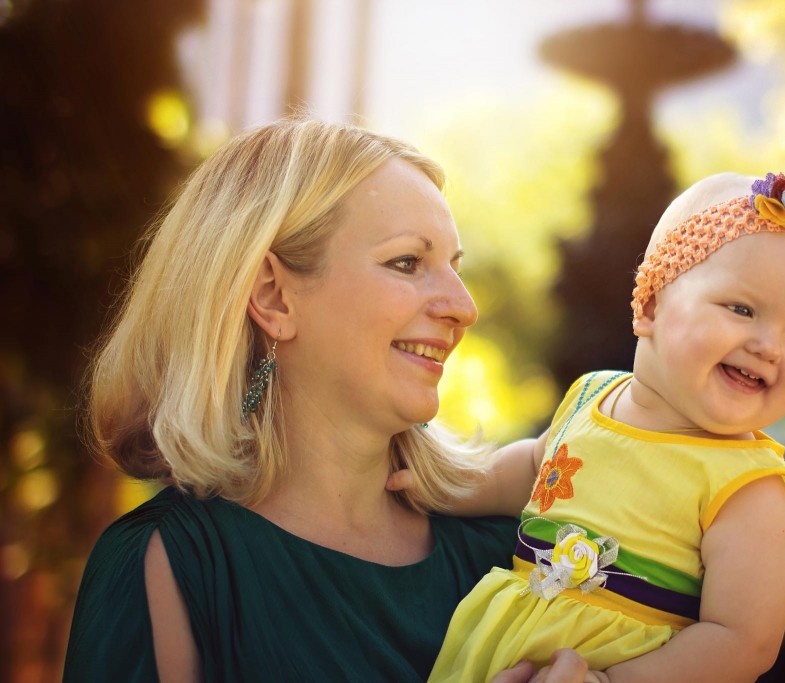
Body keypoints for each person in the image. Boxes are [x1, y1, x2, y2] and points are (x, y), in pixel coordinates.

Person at [63, 118, 588, 682]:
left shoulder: (516, 550)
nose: (463, 307)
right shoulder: (169, 566)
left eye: (455, 269)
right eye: (408, 262)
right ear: (274, 297)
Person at [397, 171, 785, 682]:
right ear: (652, 305)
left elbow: (742, 641)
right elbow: (528, 470)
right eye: (742, 309)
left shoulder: (747, 487)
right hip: (498, 651)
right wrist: (442, 487)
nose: (770, 346)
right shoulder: (592, 396)